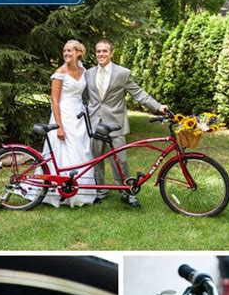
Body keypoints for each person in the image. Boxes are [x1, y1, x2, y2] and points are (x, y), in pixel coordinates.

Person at [84, 38, 169, 208]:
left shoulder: (122, 73)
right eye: (98, 51)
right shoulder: (88, 73)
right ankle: (100, 191)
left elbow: (139, 94)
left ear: (112, 53)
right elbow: (84, 96)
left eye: (104, 51)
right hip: (94, 123)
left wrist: (158, 107)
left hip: (115, 123)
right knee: (96, 159)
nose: (101, 54)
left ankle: (125, 191)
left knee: (120, 160)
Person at [41, 39, 96, 207]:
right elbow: (55, 101)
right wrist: (59, 126)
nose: (66, 54)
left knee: (82, 150)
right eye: (65, 51)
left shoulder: (83, 70)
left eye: (70, 51)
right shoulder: (60, 73)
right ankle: (58, 193)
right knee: (63, 151)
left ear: (79, 53)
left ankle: (82, 192)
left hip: (79, 116)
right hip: (63, 115)